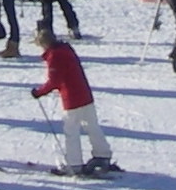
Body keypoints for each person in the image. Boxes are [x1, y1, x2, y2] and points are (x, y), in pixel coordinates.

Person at [32, 26, 116, 173]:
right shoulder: (66, 49)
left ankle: (74, 164)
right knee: (92, 126)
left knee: (71, 131)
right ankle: (102, 154)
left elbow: (54, 81)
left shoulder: (54, 56)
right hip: (85, 94)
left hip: (71, 99)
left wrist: (39, 92)